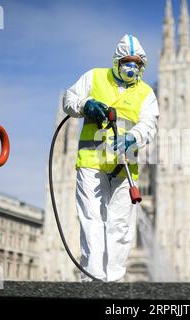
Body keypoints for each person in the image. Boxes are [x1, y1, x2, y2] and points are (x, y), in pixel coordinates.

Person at [63, 34, 159, 282]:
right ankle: (93, 280)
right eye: (127, 61)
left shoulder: (146, 92)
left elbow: (150, 124)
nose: (132, 67)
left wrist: (132, 138)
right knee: (92, 220)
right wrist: (86, 105)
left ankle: (113, 282)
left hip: (124, 165)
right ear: (117, 61)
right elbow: (69, 99)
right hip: (91, 162)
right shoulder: (94, 76)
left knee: (121, 225)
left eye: (137, 63)